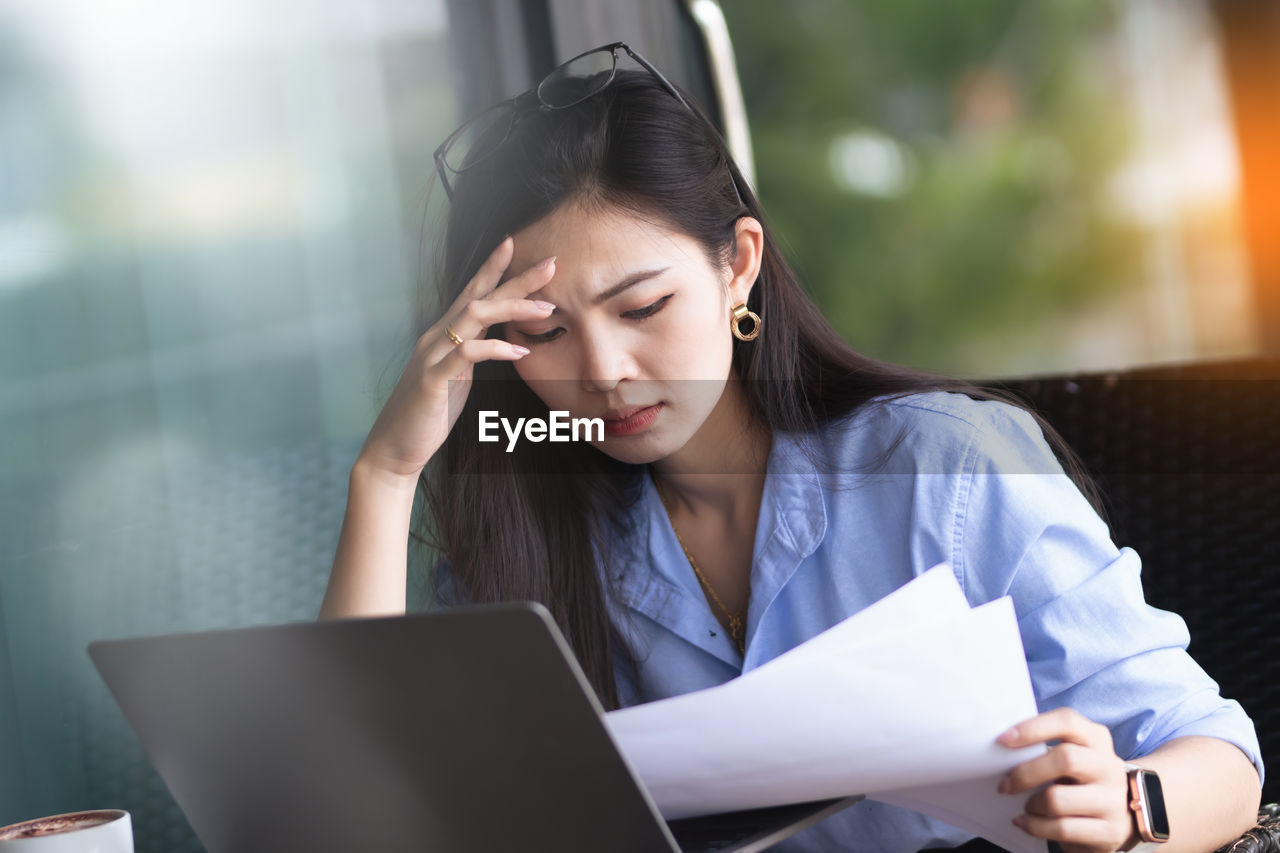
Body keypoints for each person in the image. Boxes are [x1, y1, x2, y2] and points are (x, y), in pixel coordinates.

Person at [320, 43, 1262, 853]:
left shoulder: (944, 470)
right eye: (542, 333)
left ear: (740, 264)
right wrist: (388, 471)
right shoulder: (528, 533)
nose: (604, 370)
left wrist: (1130, 804)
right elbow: (349, 810)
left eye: (643, 307)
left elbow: (1216, 755)